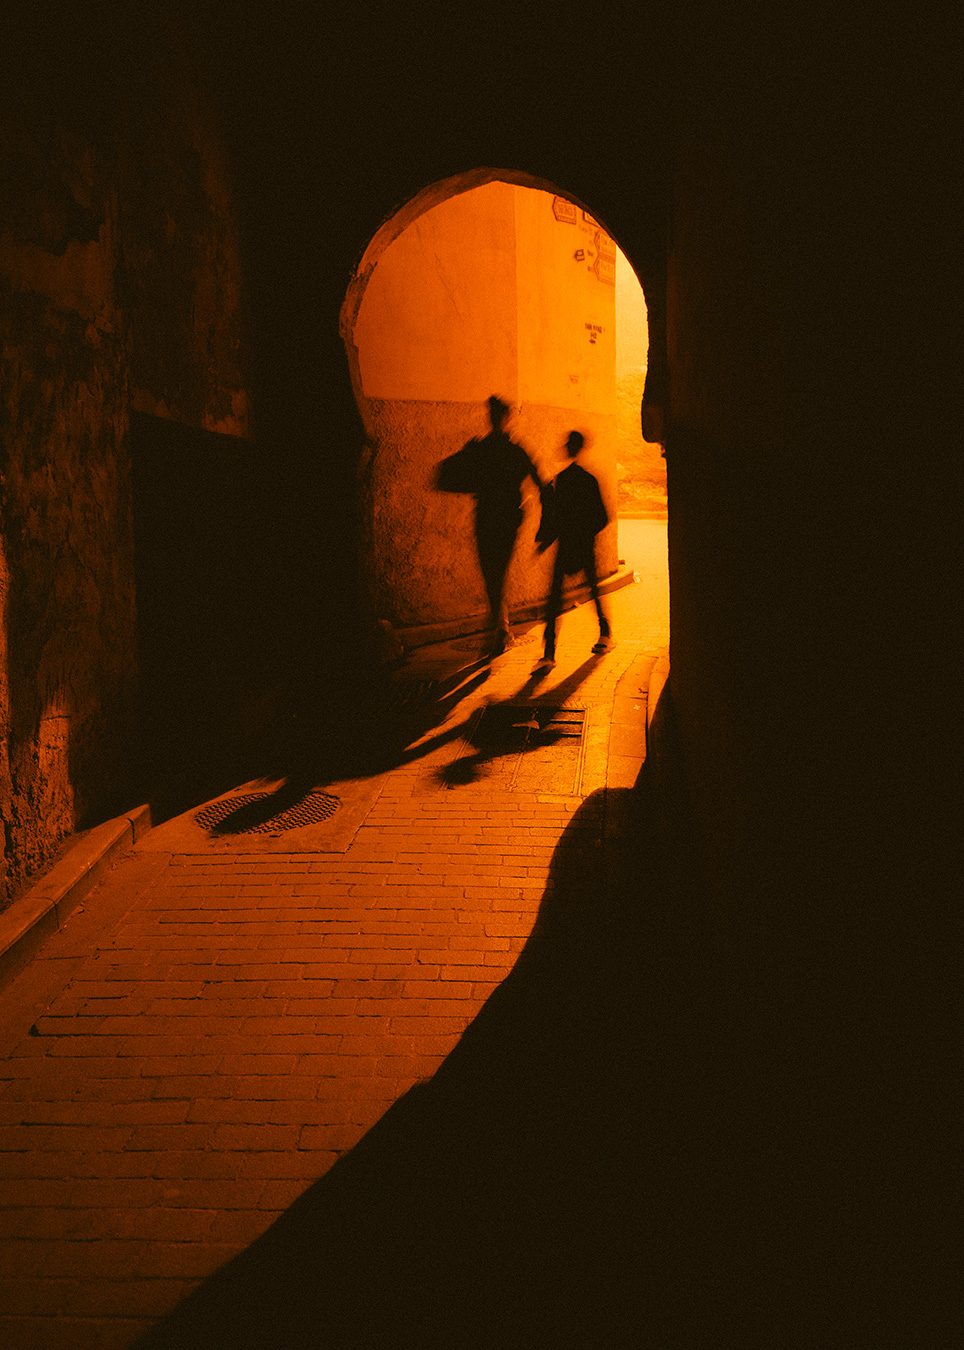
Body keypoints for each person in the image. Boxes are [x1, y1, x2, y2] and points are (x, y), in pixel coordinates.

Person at [437, 395, 544, 655]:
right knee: (498, 572)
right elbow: (539, 480)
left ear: (492, 417)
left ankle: (499, 626)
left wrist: (467, 452)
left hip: (486, 516)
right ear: (507, 418)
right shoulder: (514, 450)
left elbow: (451, 476)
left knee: (491, 573)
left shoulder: (481, 449)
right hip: (508, 518)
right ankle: (500, 626)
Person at [538, 430, 613, 665]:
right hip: (583, 545)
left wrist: (550, 537)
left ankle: (549, 653)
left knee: (555, 598)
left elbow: (557, 516)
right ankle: (605, 632)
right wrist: (585, 534)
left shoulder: (563, 480)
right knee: (592, 590)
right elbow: (602, 517)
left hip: (569, 545)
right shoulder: (587, 480)